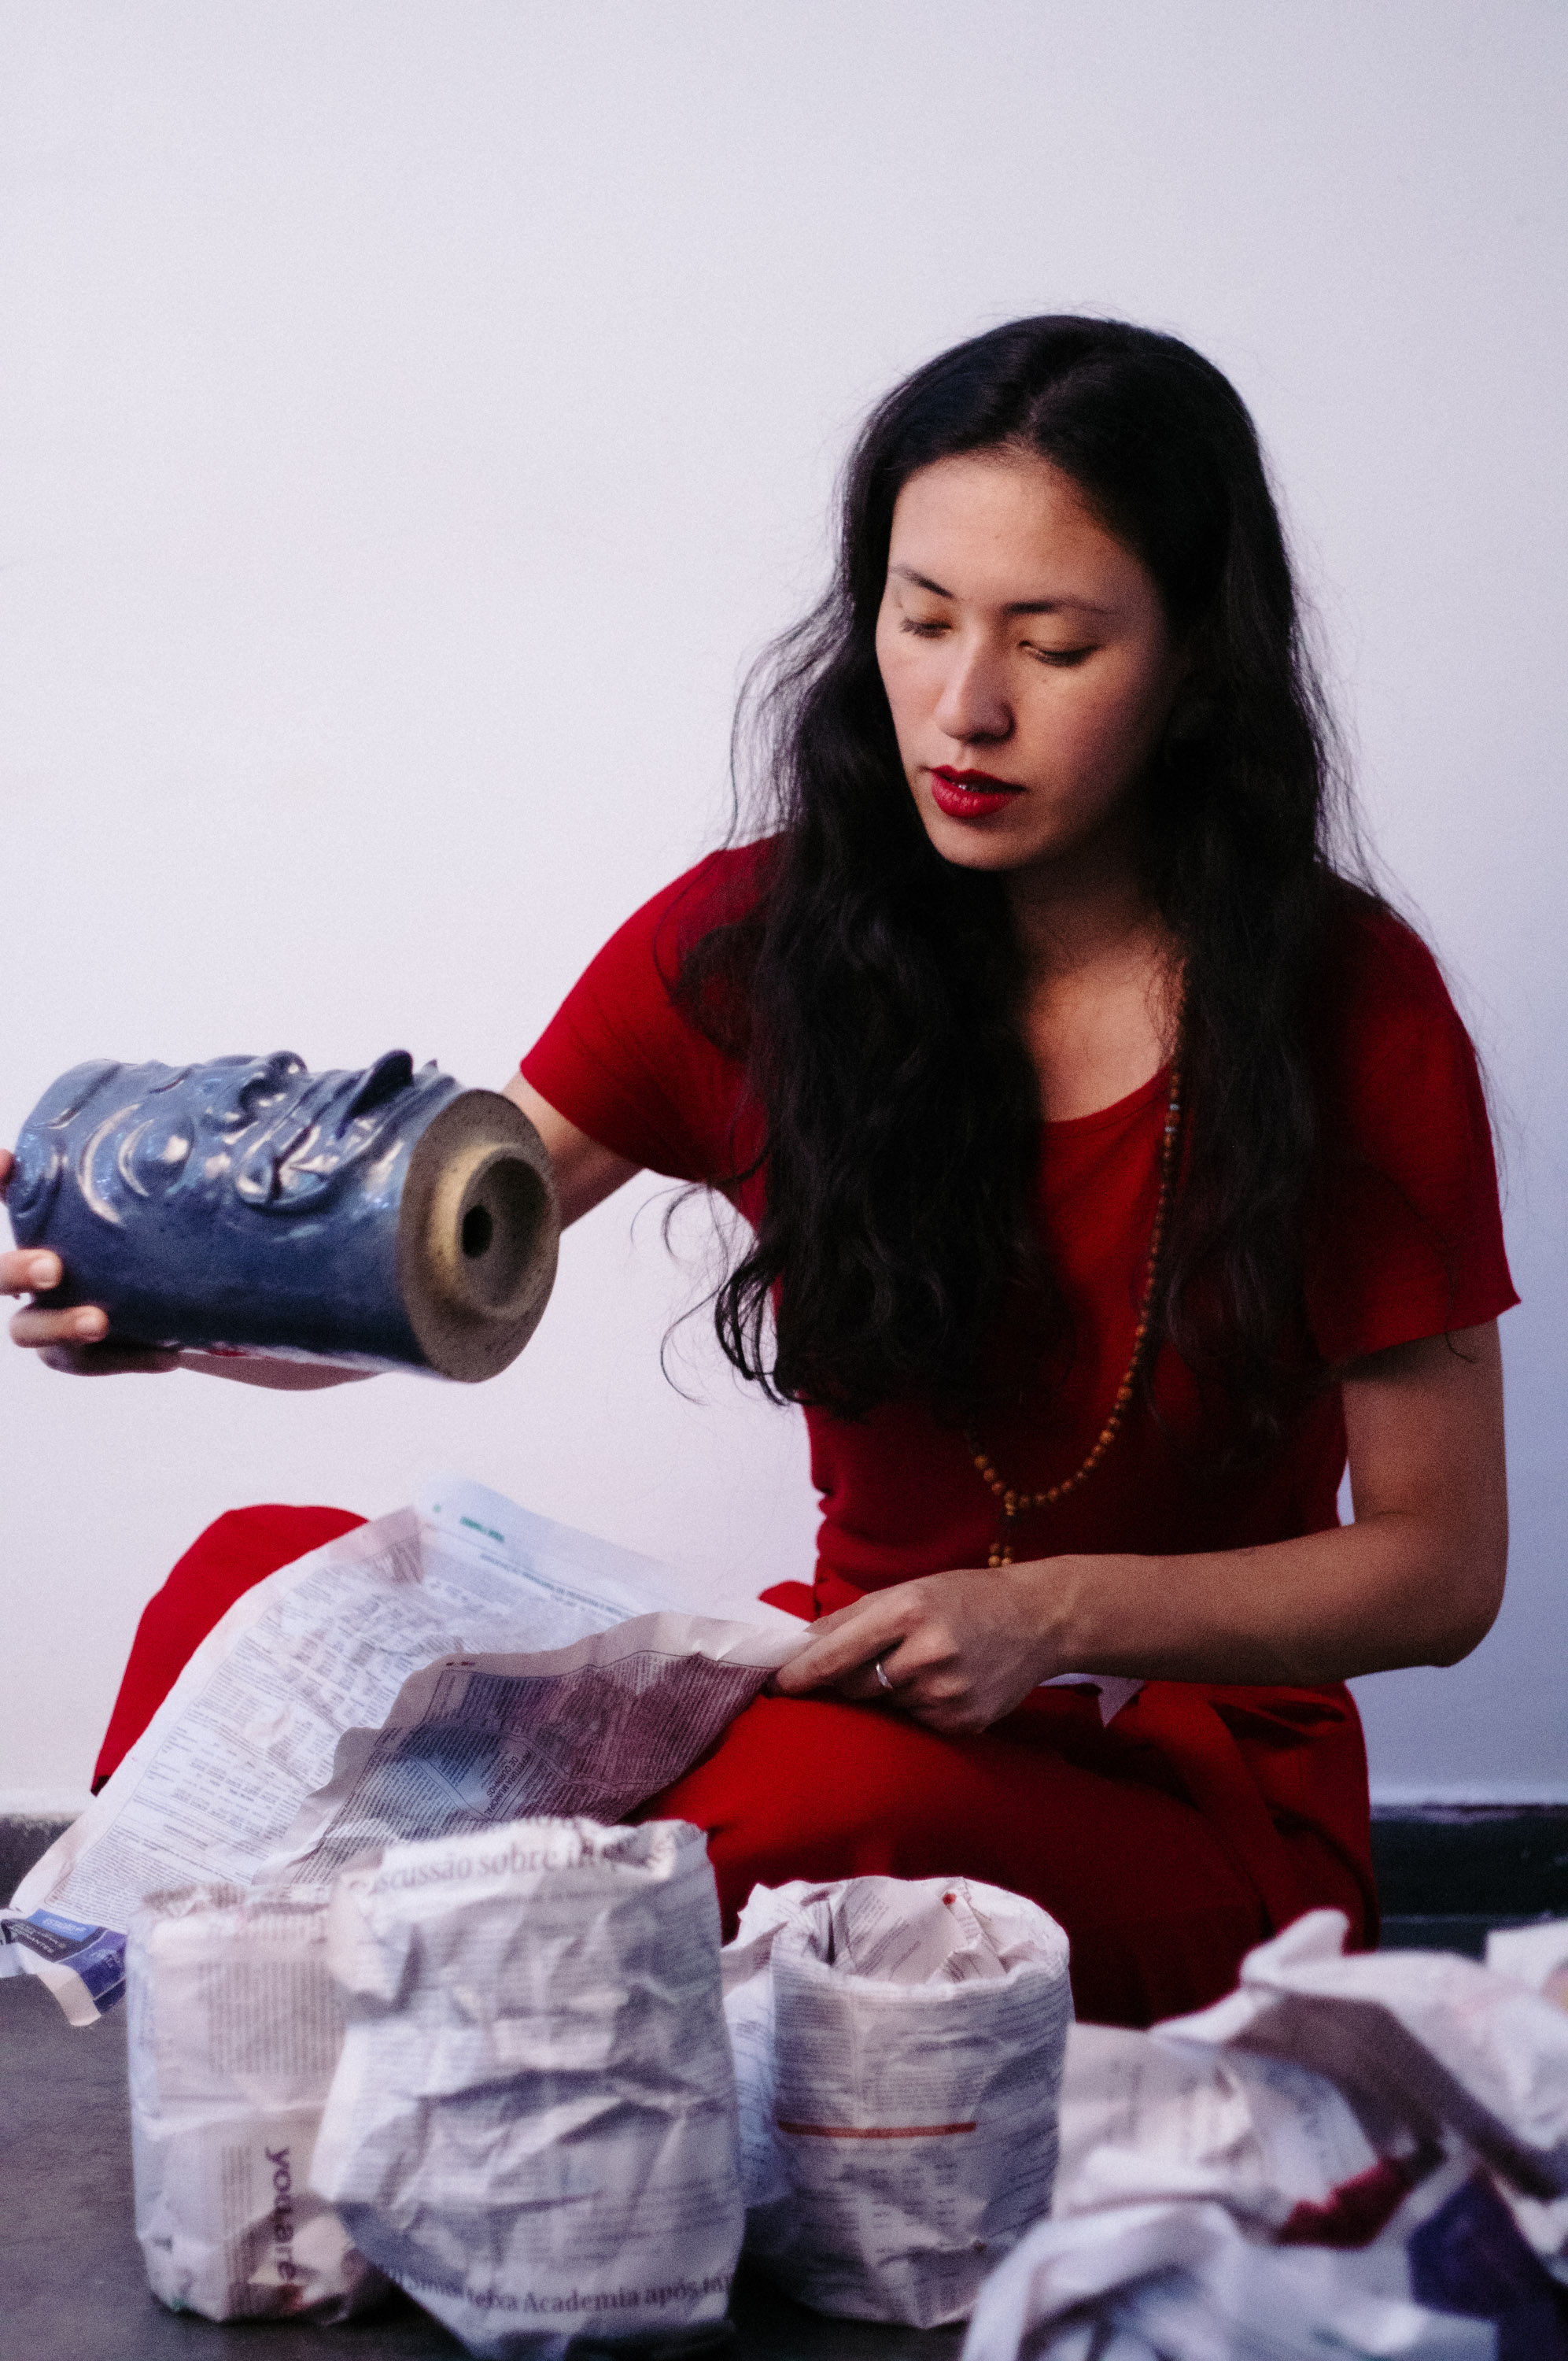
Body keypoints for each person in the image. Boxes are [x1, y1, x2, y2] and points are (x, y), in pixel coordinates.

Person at [2, 317, 1514, 2028]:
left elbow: (1439, 1568)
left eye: (1054, 645)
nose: (967, 706)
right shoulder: (752, 945)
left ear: (1194, 666)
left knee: (781, 1820)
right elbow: (432, 1254)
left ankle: (359, 1996)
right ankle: (431, 2004)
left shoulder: (1347, 1005)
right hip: (847, 1687)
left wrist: (1052, 1616)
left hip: (1174, 1778)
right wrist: (169, 1301)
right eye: (922, 620)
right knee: (252, 1586)